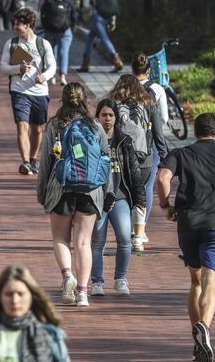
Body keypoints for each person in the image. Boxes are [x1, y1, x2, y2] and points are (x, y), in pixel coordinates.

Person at [156, 112, 215, 361]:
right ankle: (204, 328)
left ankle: (198, 344)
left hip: (188, 224)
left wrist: (166, 205)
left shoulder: (181, 154)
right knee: (211, 283)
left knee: (195, 282)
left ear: (197, 132)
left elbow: (162, 177)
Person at [36, 82, 111, 307]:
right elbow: (106, 161)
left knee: (60, 238)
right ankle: (83, 293)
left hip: (61, 187)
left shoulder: (54, 126)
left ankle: (68, 275)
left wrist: (42, 193)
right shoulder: (96, 126)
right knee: (83, 243)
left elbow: (46, 163)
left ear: (64, 99)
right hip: (90, 190)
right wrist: (107, 193)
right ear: (85, 100)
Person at [0, 265, 70, 362]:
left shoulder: (49, 336)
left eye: (20, 294)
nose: (15, 300)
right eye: (9, 294)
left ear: (31, 296)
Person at [89, 98, 145, 297]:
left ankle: (120, 278)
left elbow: (134, 171)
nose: (107, 119)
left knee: (124, 238)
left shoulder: (124, 140)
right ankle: (96, 282)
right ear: (97, 117)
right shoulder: (91, 139)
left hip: (120, 197)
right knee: (97, 242)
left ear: (116, 117)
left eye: (110, 115)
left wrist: (140, 200)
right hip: (98, 198)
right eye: (103, 115)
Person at [107, 74, 168, 252]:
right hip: (144, 158)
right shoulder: (149, 103)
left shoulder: (112, 104)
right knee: (139, 195)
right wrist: (165, 157)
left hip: (119, 156)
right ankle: (138, 238)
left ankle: (125, 233)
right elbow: (158, 133)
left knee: (122, 194)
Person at [0, 8, 56, 176]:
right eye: (15, 23)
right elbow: (2, 68)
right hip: (19, 90)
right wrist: (18, 68)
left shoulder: (43, 44)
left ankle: (33, 159)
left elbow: (53, 66)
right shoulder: (11, 44)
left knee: (37, 129)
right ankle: (25, 162)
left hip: (39, 92)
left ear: (28, 25)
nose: (15, 26)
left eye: (19, 24)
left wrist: (44, 77)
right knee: (21, 126)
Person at [131, 52, 169, 247]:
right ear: (149, 71)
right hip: (148, 142)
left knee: (126, 184)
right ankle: (140, 229)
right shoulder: (157, 89)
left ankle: (129, 225)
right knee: (146, 185)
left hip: (127, 141)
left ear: (131, 69)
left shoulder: (125, 87)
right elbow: (164, 118)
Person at [77, 0, 122, 73]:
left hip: (96, 17)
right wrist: (112, 20)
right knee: (90, 39)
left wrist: (82, 15)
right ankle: (85, 64)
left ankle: (117, 61)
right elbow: (110, 4)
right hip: (105, 16)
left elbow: (86, 5)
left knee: (104, 39)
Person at [40, 0, 77, 86]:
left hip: (50, 31)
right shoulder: (69, 2)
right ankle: (63, 76)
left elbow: (43, 16)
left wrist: (46, 28)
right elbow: (74, 17)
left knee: (52, 54)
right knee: (64, 53)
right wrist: (71, 28)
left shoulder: (47, 2)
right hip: (66, 32)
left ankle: (52, 75)